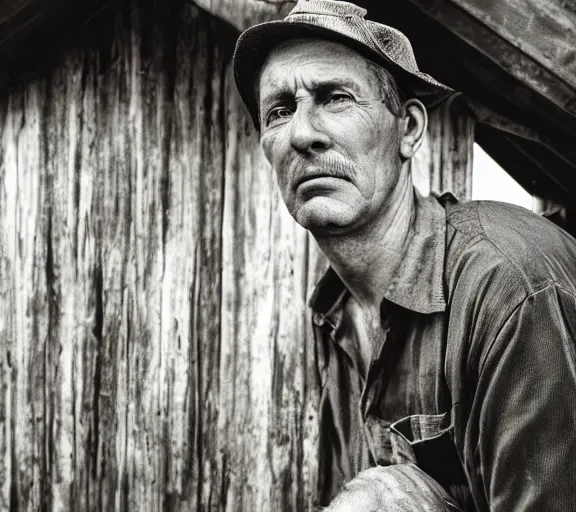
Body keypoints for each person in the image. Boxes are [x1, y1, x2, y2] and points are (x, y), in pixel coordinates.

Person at [232, 1, 576, 510]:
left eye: (336, 97)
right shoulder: (333, 312)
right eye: (280, 111)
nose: (303, 133)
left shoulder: (511, 283)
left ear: (409, 130)